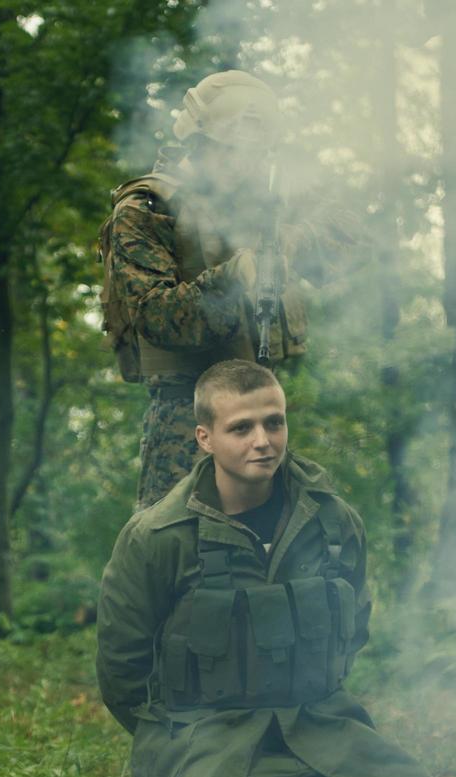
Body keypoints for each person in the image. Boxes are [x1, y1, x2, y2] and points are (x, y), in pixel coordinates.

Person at [95, 360, 456, 777]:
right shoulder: (159, 537)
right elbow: (122, 669)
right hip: (213, 745)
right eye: (241, 428)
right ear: (204, 438)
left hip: (320, 730)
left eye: (274, 423)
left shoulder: (332, 521)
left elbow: (354, 627)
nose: (263, 441)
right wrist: (175, 748)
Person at [98, 70, 357, 508]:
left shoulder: (264, 208)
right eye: (232, 152)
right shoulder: (147, 209)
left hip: (262, 416)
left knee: (271, 561)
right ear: (198, 145)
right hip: (187, 423)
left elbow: (355, 236)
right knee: (176, 554)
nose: (246, 164)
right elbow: (160, 320)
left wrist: (297, 239)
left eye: (257, 154)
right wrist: (238, 276)